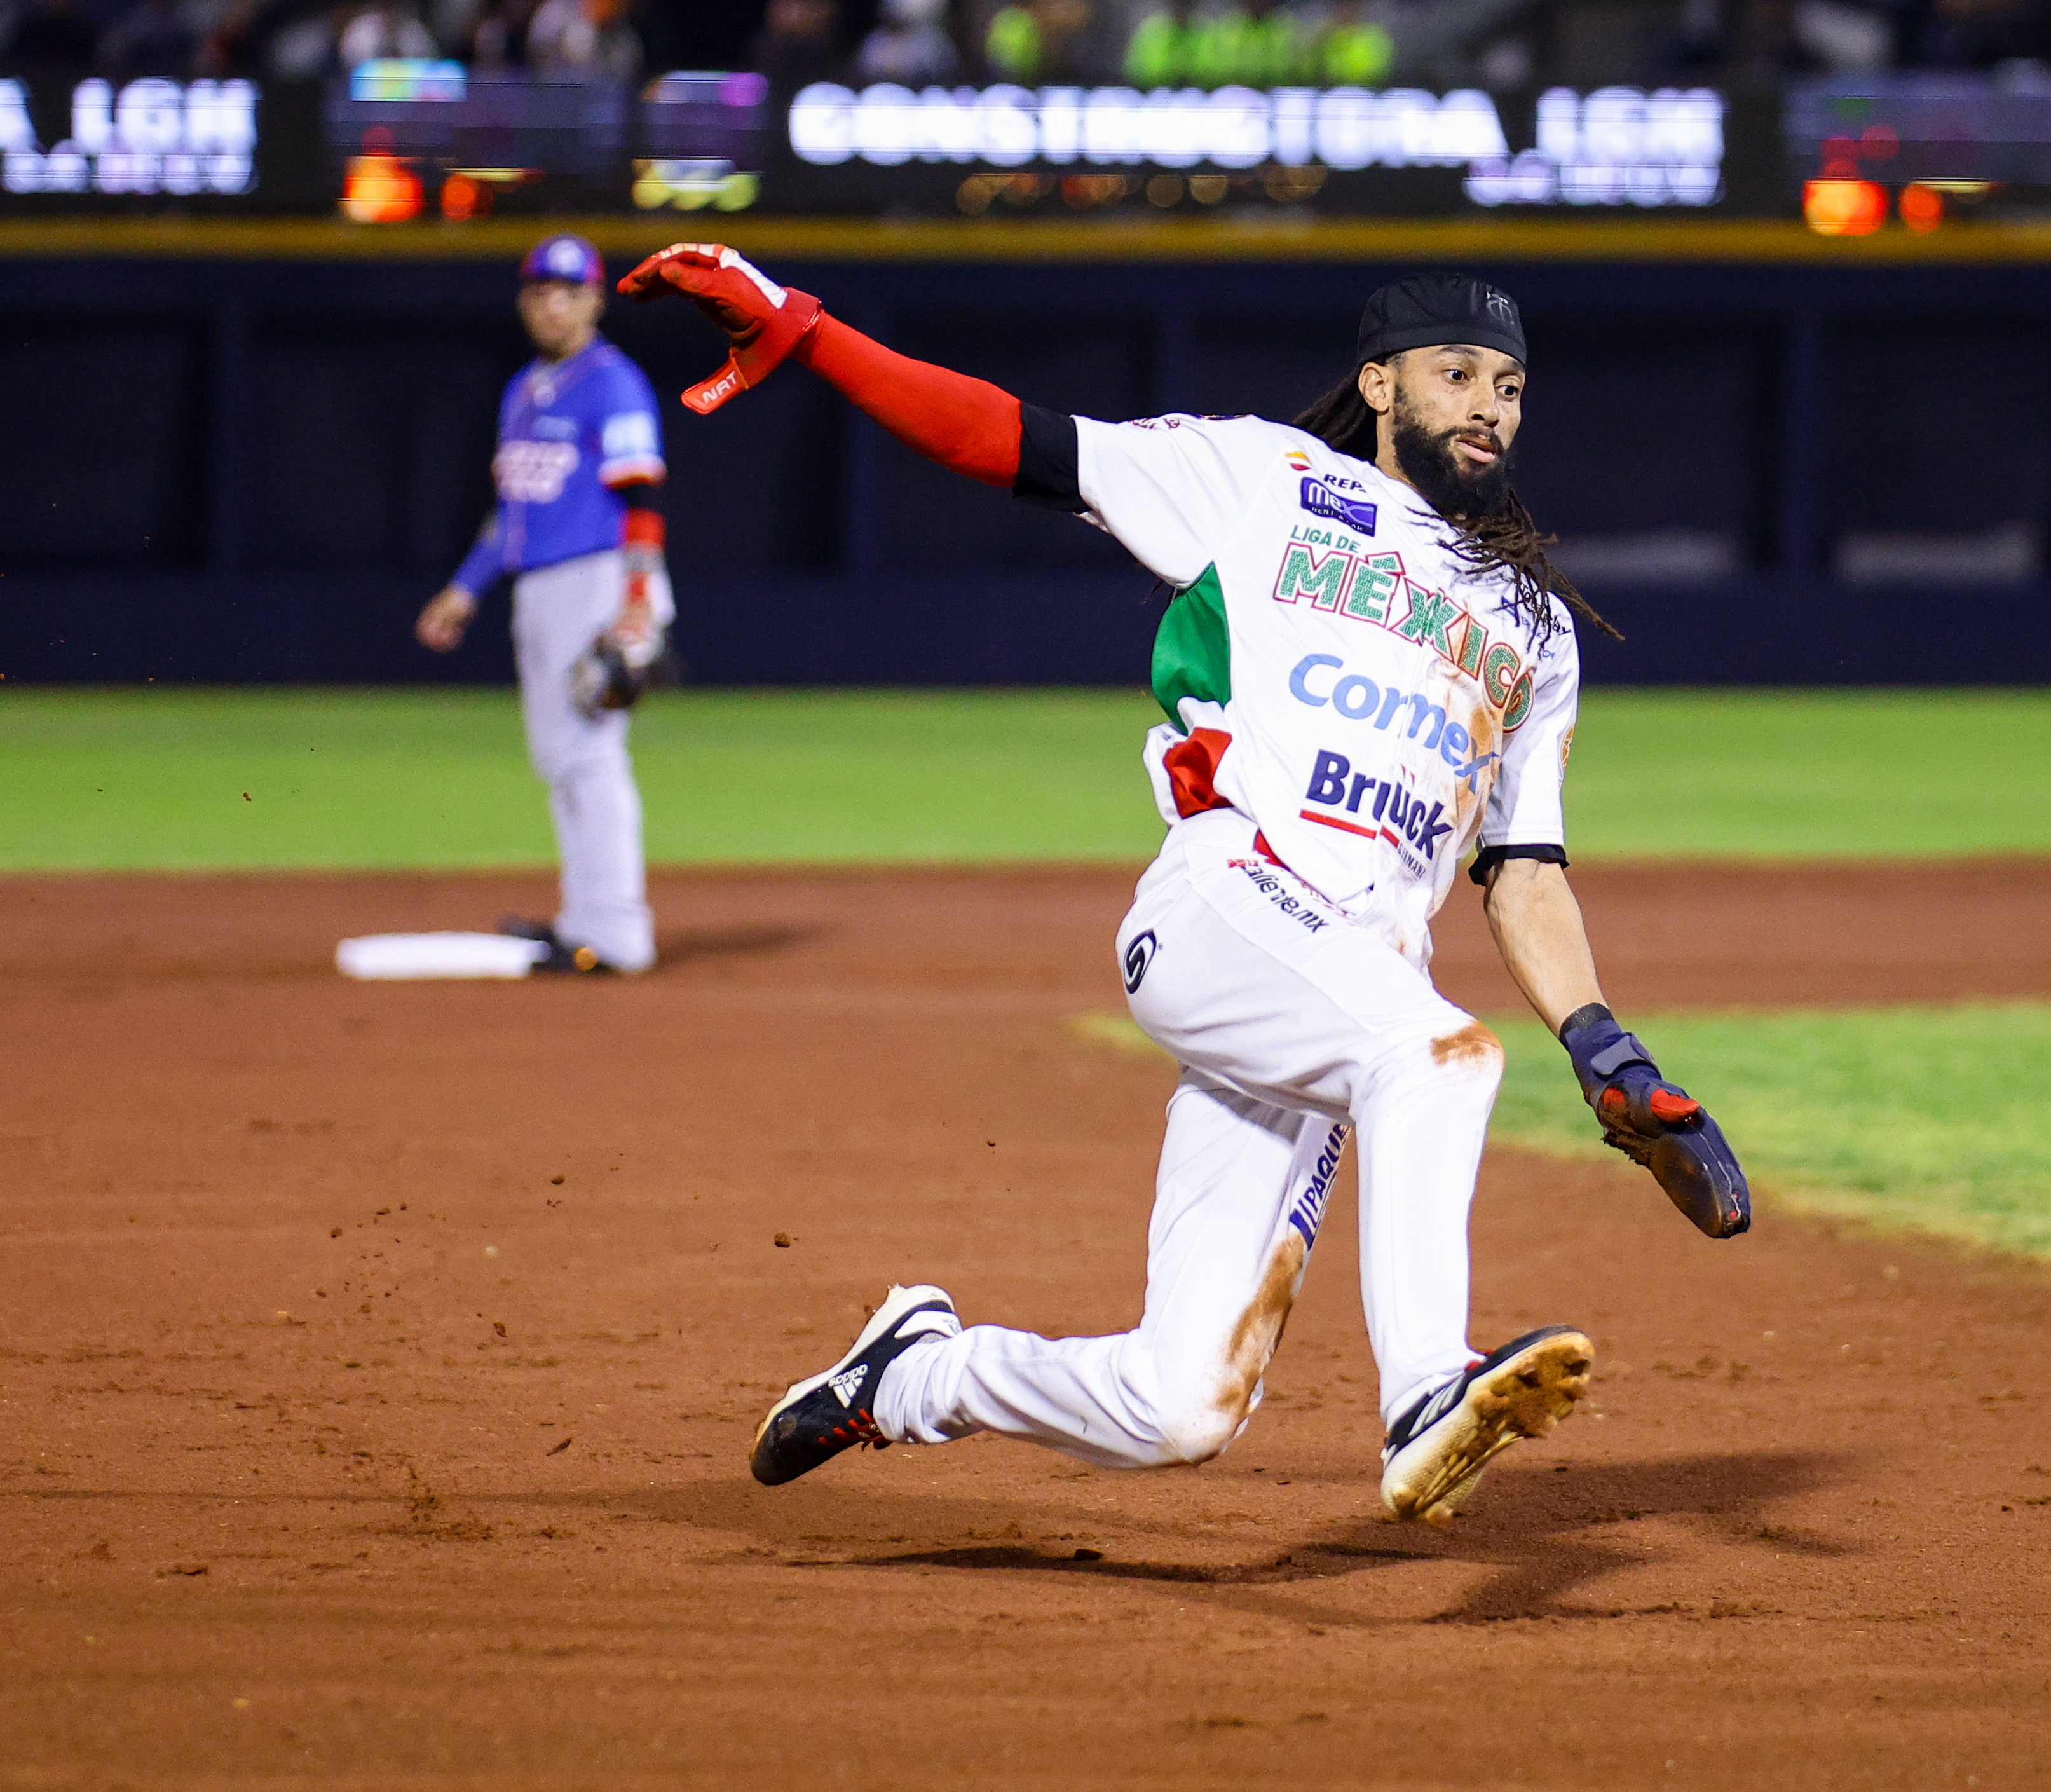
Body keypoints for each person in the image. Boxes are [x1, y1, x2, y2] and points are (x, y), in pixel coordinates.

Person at [618, 242, 1752, 1526]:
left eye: (1508, 383)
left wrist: (1603, 1046)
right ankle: (1429, 1384)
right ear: (1380, 384)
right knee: (1440, 1058)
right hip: (1223, 900)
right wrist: (806, 331)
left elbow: (1522, 871)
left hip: (1337, 997)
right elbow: (1008, 438)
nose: (1488, 402)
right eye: (1455, 372)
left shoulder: (1532, 627)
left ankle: (917, 1371)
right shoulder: (1265, 481)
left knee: (1179, 1404)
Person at [416, 235, 672, 975]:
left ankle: (619, 929)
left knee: (590, 755)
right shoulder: (525, 390)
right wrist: (465, 587)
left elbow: (642, 497)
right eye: (539, 291)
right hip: (538, 584)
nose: (551, 303)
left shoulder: (613, 384)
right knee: (561, 757)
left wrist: (634, 600)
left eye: (568, 290)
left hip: (597, 579)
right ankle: (582, 922)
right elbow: (511, 511)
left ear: (595, 299)